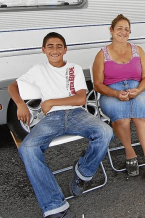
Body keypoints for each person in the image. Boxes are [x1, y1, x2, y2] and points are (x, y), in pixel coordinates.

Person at [8, 32, 113, 218]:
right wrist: (20, 104)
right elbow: (12, 86)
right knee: (27, 149)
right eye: (50, 46)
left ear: (65, 49)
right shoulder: (38, 69)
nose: (54, 50)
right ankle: (55, 206)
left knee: (105, 131)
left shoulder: (74, 68)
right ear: (43, 50)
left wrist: (51, 102)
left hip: (76, 114)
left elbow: (81, 98)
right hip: (52, 119)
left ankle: (82, 173)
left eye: (59, 46)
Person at [92, 14, 145, 188]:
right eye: (119, 28)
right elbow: (97, 84)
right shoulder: (102, 54)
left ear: (130, 32)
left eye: (126, 29)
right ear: (111, 30)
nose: (123, 32)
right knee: (122, 119)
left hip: (136, 89)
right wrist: (116, 94)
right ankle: (130, 152)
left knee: (142, 118)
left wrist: (139, 90)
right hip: (111, 92)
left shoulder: (137, 50)